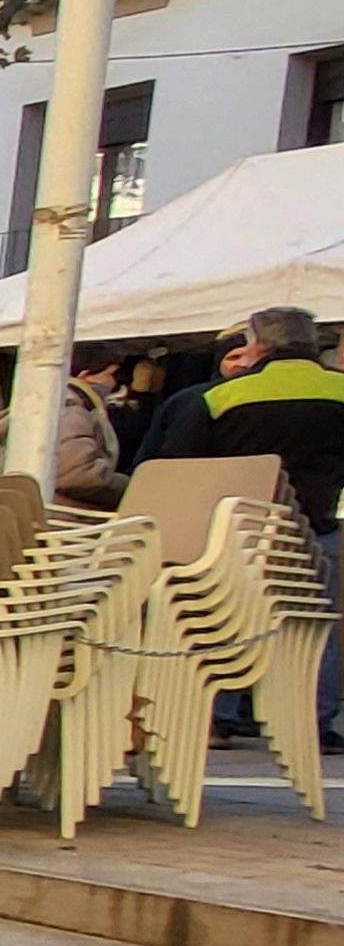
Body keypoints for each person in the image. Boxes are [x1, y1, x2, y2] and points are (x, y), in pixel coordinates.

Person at [146, 306, 344, 749]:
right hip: (315, 525)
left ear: (256, 344)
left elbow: (177, 464)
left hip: (237, 528)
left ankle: (218, 717)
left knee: (225, 618)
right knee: (318, 625)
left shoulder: (219, 398)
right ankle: (313, 724)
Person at [52, 350, 130, 508]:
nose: (114, 383)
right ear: (85, 375)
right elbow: (77, 476)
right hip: (68, 519)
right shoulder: (69, 410)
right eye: (111, 375)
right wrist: (132, 486)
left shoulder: (61, 404)